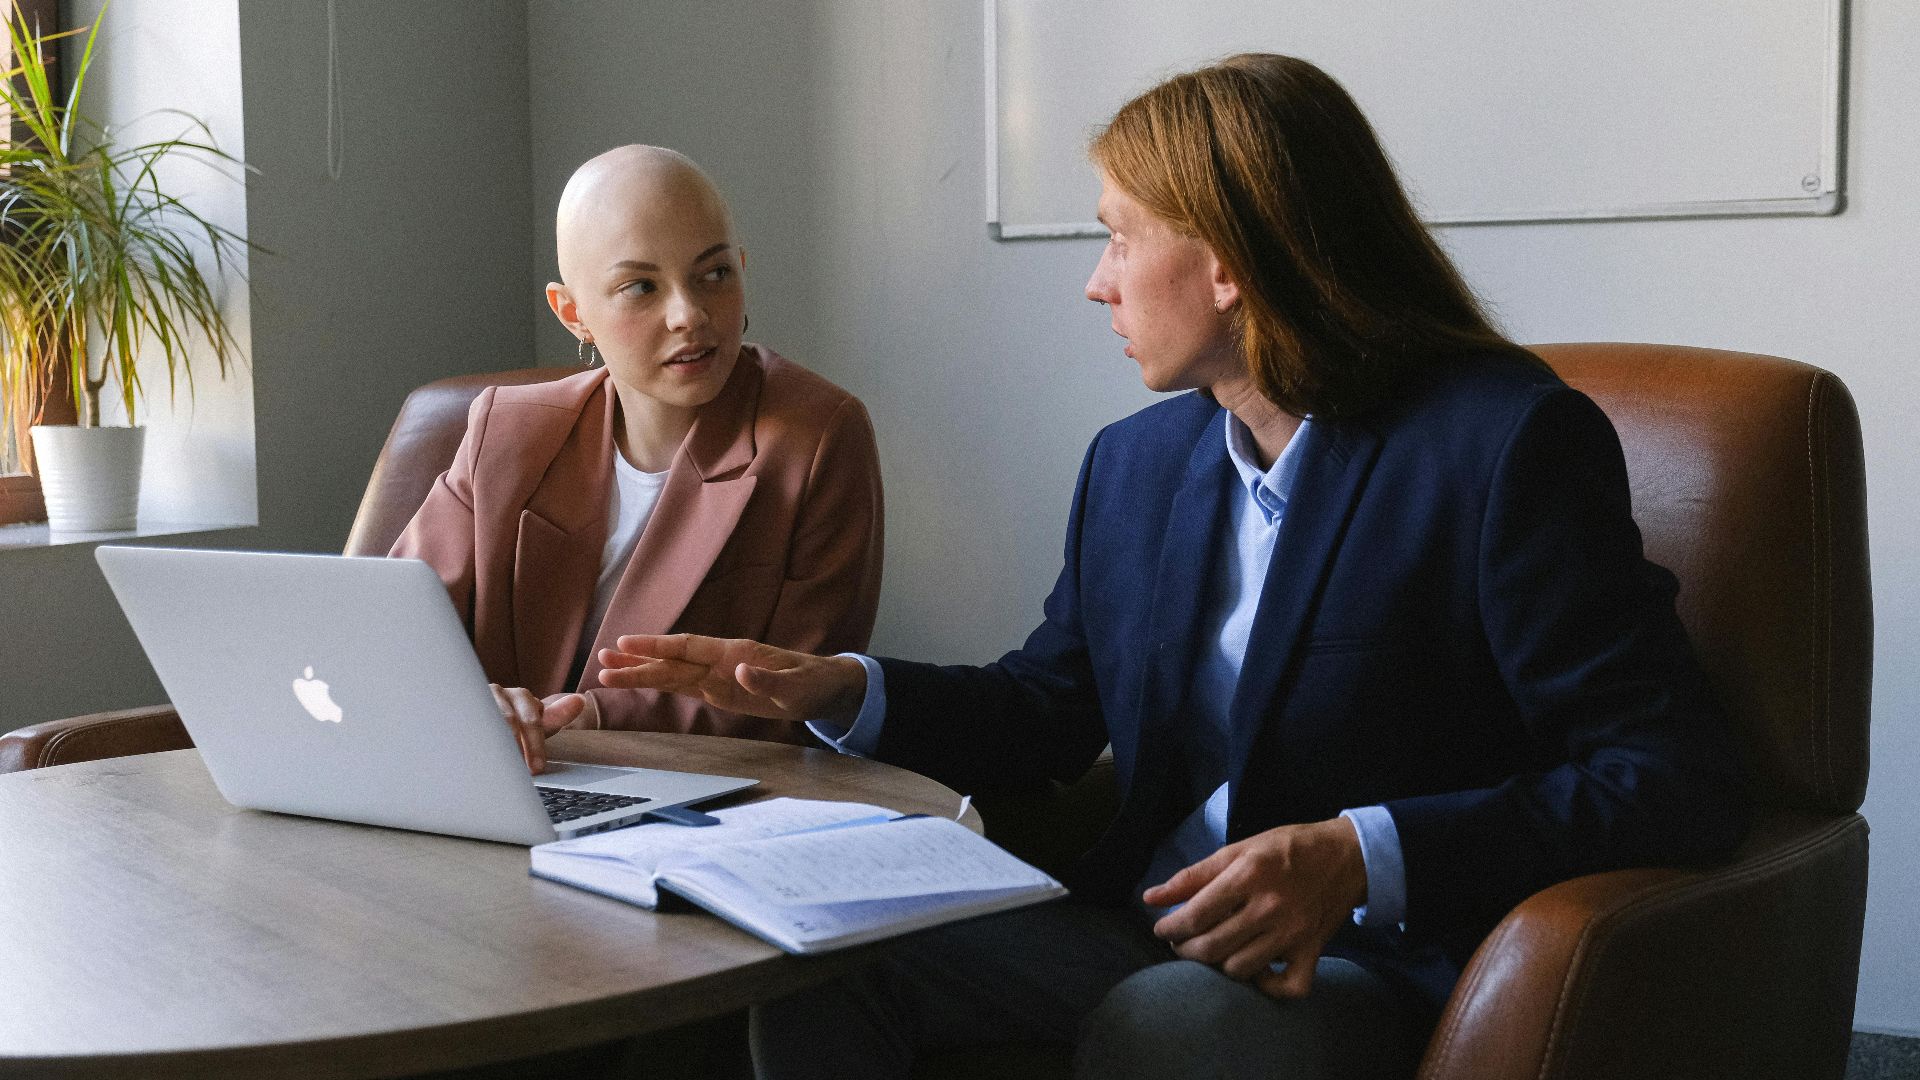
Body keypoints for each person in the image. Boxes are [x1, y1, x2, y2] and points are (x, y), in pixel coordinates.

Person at [592, 56, 1746, 1079]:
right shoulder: (1137, 465)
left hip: (1368, 962)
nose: (1098, 281)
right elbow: (1048, 708)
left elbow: (1667, 773)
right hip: (1141, 922)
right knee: (810, 965)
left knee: (1176, 1025)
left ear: (1228, 264)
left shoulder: (1501, 447)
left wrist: (1360, 855)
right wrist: (841, 688)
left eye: (1119, 236)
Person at [392, 145, 883, 769]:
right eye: (641, 287)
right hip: (492, 783)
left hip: (705, 797)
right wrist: (464, 702)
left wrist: (589, 716)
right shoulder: (507, 431)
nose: (690, 315)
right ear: (573, 314)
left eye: (714, 274)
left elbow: (801, 700)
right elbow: (390, 628)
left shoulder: (816, 439)